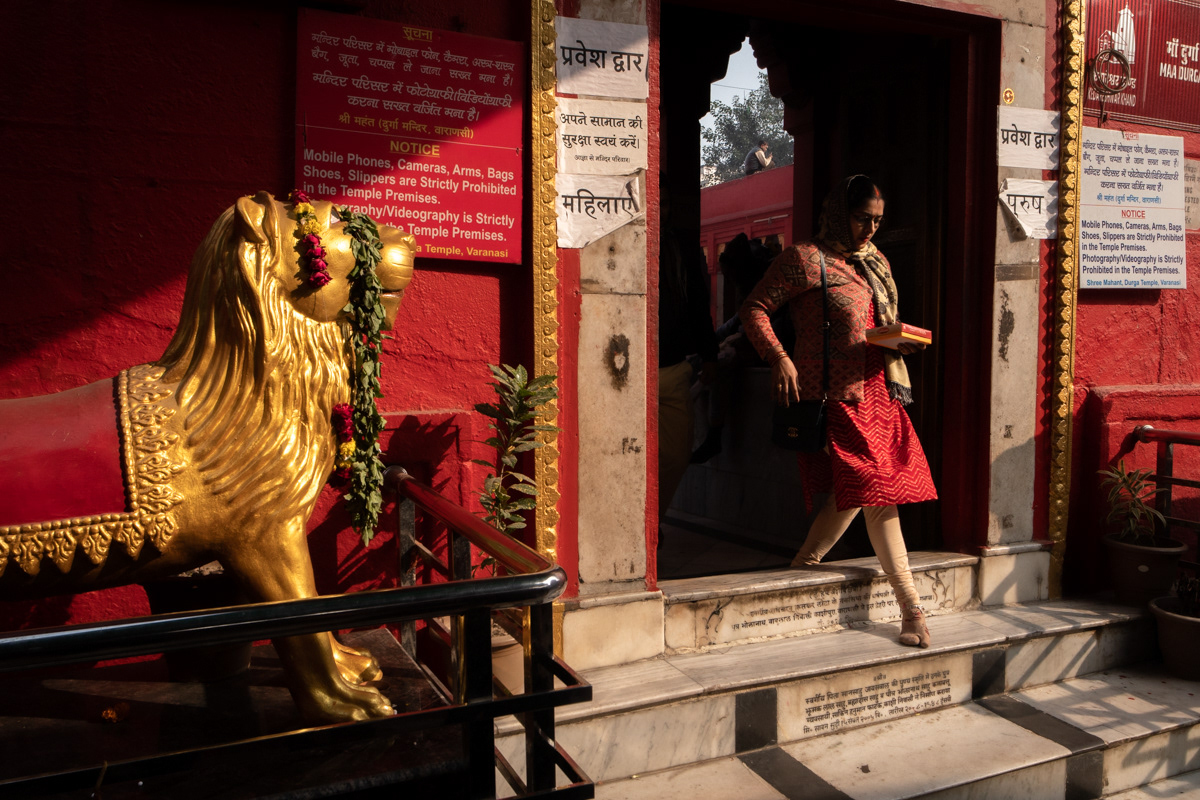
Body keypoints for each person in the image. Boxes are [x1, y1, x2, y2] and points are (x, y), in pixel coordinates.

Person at [738, 175, 938, 648]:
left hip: (879, 390)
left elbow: (873, 325)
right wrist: (779, 357)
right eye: (862, 218)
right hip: (836, 397)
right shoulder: (805, 259)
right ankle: (911, 608)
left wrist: (898, 341)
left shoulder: (874, 261)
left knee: (855, 490)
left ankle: (802, 567)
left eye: (878, 220)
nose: (871, 229)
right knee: (876, 491)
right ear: (837, 213)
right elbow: (754, 310)